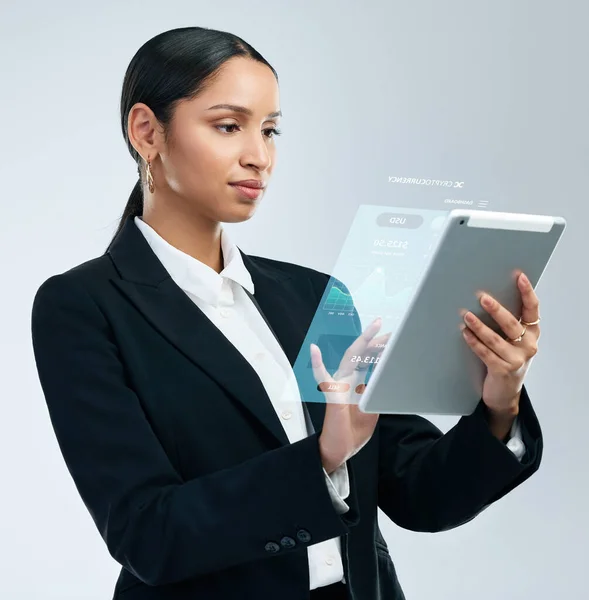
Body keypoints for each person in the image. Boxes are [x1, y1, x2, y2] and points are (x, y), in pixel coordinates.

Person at [30, 26, 543, 600]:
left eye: (270, 130)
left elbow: (416, 493)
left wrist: (500, 402)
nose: (259, 156)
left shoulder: (315, 296)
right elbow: (149, 533)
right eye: (229, 126)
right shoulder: (84, 307)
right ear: (147, 131)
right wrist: (323, 457)